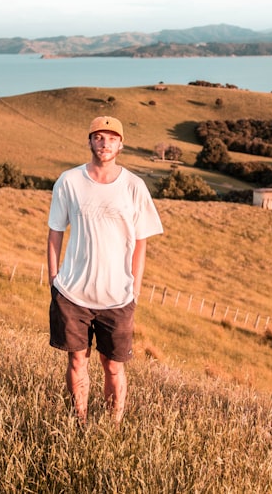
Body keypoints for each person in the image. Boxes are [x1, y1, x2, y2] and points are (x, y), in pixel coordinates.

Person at [47, 115, 164, 424]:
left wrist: (135, 289)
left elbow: (141, 242)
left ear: (120, 144)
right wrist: (54, 279)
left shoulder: (134, 187)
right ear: (89, 141)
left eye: (111, 138)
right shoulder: (69, 181)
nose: (105, 143)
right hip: (73, 294)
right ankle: (80, 422)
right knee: (77, 362)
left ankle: (113, 425)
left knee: (113, 366)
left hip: (118, 297)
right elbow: (55, 231)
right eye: (99, 137)